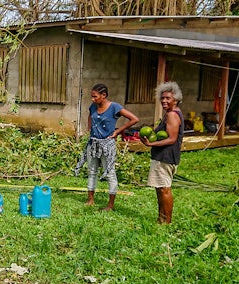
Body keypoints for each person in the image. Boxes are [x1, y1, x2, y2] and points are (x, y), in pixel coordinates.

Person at [74, 83, 139, 211]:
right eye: (92, 97)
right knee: (92, 172)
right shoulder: (93, 106)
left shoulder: (114, 107)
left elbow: (134, 119)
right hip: (93, 143)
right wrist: (89, 129)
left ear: (103, 95)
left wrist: (117, 131)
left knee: (109, 173)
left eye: (95, 96)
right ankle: (90, 199)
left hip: (107, 144)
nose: (93, 99)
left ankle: (110, 205)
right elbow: (90, 116)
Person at [141, 81, 184, 224]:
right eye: (162, 98)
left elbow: (171, 139)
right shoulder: (169, 114)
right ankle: (161, 218)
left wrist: (150, 144)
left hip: (166, 157)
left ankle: (167, 222)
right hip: (162, 156)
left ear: (176, 100)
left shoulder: (172, 115)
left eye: (168, 98)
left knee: (165, 189)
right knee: (160, 189)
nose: (164, 101)